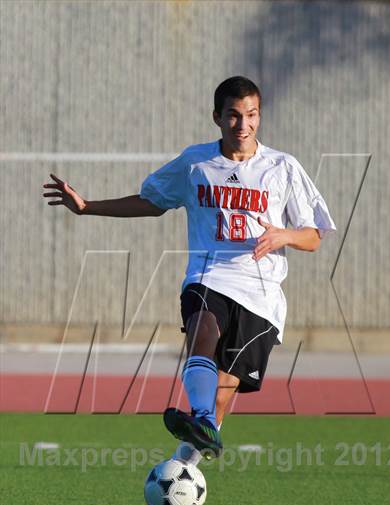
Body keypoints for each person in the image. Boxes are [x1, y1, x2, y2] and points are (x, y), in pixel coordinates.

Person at [43, 76, 336, 464]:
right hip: (208, 276)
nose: (242, 125)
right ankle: (198, 419)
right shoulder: (195, 162)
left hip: (261, 295)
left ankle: (185, 466)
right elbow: (152, 202)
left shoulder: (282, 167)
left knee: (223, 392)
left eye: (251, 115)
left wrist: (285, 236)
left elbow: (314, 237)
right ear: (217, 117)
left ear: (259, 117)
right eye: (233, 116)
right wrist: (88, 206)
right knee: (202, 328)